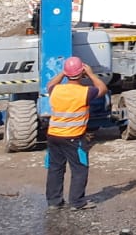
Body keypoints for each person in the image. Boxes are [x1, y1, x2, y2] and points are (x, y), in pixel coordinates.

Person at [44, 56, 106, 210]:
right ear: (81, 73)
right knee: (79, 168)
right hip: (73, 138)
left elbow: (50, 84)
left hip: (53, 136)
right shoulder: (84, 92)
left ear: (67, 73)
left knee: (55, 168)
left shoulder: (56, 90)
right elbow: (102, 89)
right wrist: (91, 74)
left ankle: (54, 201)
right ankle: (77, 202)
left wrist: (62, 73)